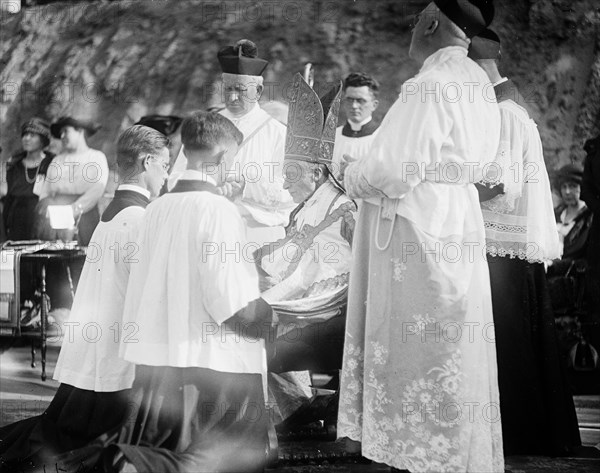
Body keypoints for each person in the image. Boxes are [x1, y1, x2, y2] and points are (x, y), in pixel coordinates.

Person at [337, 2, 504, 472]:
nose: (413, 29)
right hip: (458, 219)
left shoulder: (427, 85)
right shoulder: (478, 83)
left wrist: (352, 174)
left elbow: (393, 169)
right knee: (453, 341)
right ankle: (454, 450)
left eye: (417, 20)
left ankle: (416, 451)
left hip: (418, 226)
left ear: (431, 23)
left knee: (417, 340)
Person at [107, 111, 275, 473]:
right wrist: (269, 317)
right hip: (212, 364)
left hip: (158, 360)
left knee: (162, 450)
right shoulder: (219, 210)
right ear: (224, 157)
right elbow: (226, 299)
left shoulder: (155, 208)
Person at [0, 125, 170, 472]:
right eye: (165, 165)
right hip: (118, 355)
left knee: (59, 432)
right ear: (148, 161)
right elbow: (147, 292)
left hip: (99, 346)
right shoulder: (140, 219)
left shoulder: (114, 214)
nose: (166, 175)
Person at [469, 29, 581, 455]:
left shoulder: (505, 112)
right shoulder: (504, 107)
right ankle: (516, 432)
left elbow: (500, 183)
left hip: (502, 247)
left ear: (479, 69)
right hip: (502, 246)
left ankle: (518, 434)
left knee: (508, 342)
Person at [255, 74, 356, 425]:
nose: (284, 183)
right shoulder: (307, 204)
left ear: (316, 174)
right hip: (303, 302)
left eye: (290, 173)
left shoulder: (343, 207)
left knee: (252, 331)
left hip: (330, 309)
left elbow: (350, 271)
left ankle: (302, 410)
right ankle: (301, 408)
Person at [34, 116, 109, 246]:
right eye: (60, 133)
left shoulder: (96, 158)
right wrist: (51, 211)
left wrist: (71, 211)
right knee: (54, 260)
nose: (62, 136)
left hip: (84, 217)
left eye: (66, 131)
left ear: (80, 131)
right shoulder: (57, 160)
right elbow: (45, 191)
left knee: (82, 259)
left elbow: (96, 190)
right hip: (55, 219)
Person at [2, 118, 54, 241]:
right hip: (16, 222)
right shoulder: (13, 165)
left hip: (42, 221)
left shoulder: (52, 163)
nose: (26, 138)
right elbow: (6, 197)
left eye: (32, 135)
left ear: (42, 139)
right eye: (25, 134)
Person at [331, 72, 380, 178]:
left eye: (360, 101)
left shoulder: (382, 139)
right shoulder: (332, 137)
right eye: (349, 100)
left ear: (374, 105)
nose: (354, 106)